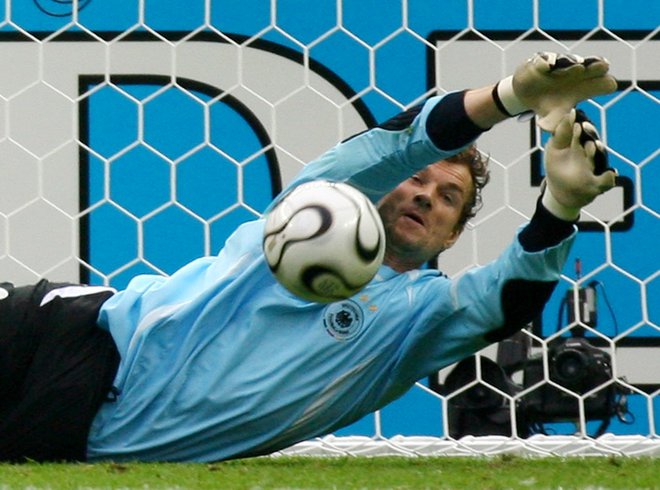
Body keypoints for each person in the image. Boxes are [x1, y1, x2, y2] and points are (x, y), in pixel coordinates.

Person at [0, 52, 618, 462]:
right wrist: (511, 95)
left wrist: (560, 205)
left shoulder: (418, 320)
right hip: (71, 339)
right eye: (419, 181)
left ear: (452, 237)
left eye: (448, 198)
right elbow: (398, 141)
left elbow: (503, 300)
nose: (426, 195)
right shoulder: (315, 205)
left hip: (86, 436)